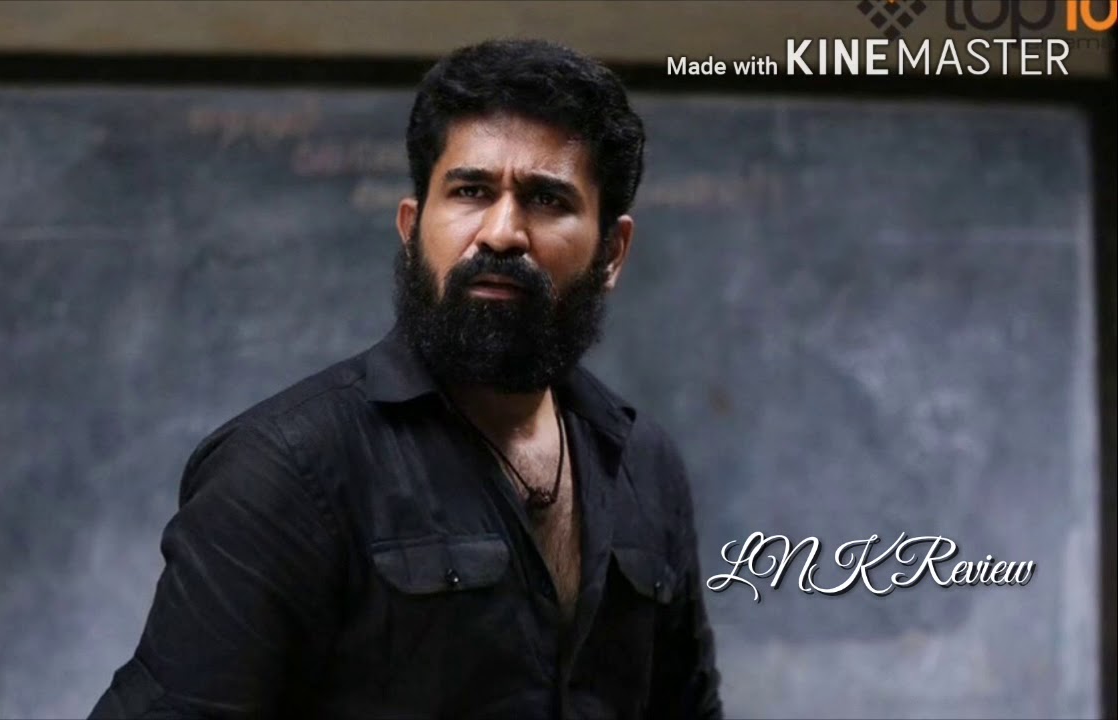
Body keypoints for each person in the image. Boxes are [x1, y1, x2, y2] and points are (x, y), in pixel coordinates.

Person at [89, 38, 722, 720]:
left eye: (546, 199)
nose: (502, 233)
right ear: (413, 227)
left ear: (612, 253)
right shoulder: (286, 472)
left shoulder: (643, 466)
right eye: (471, 191)